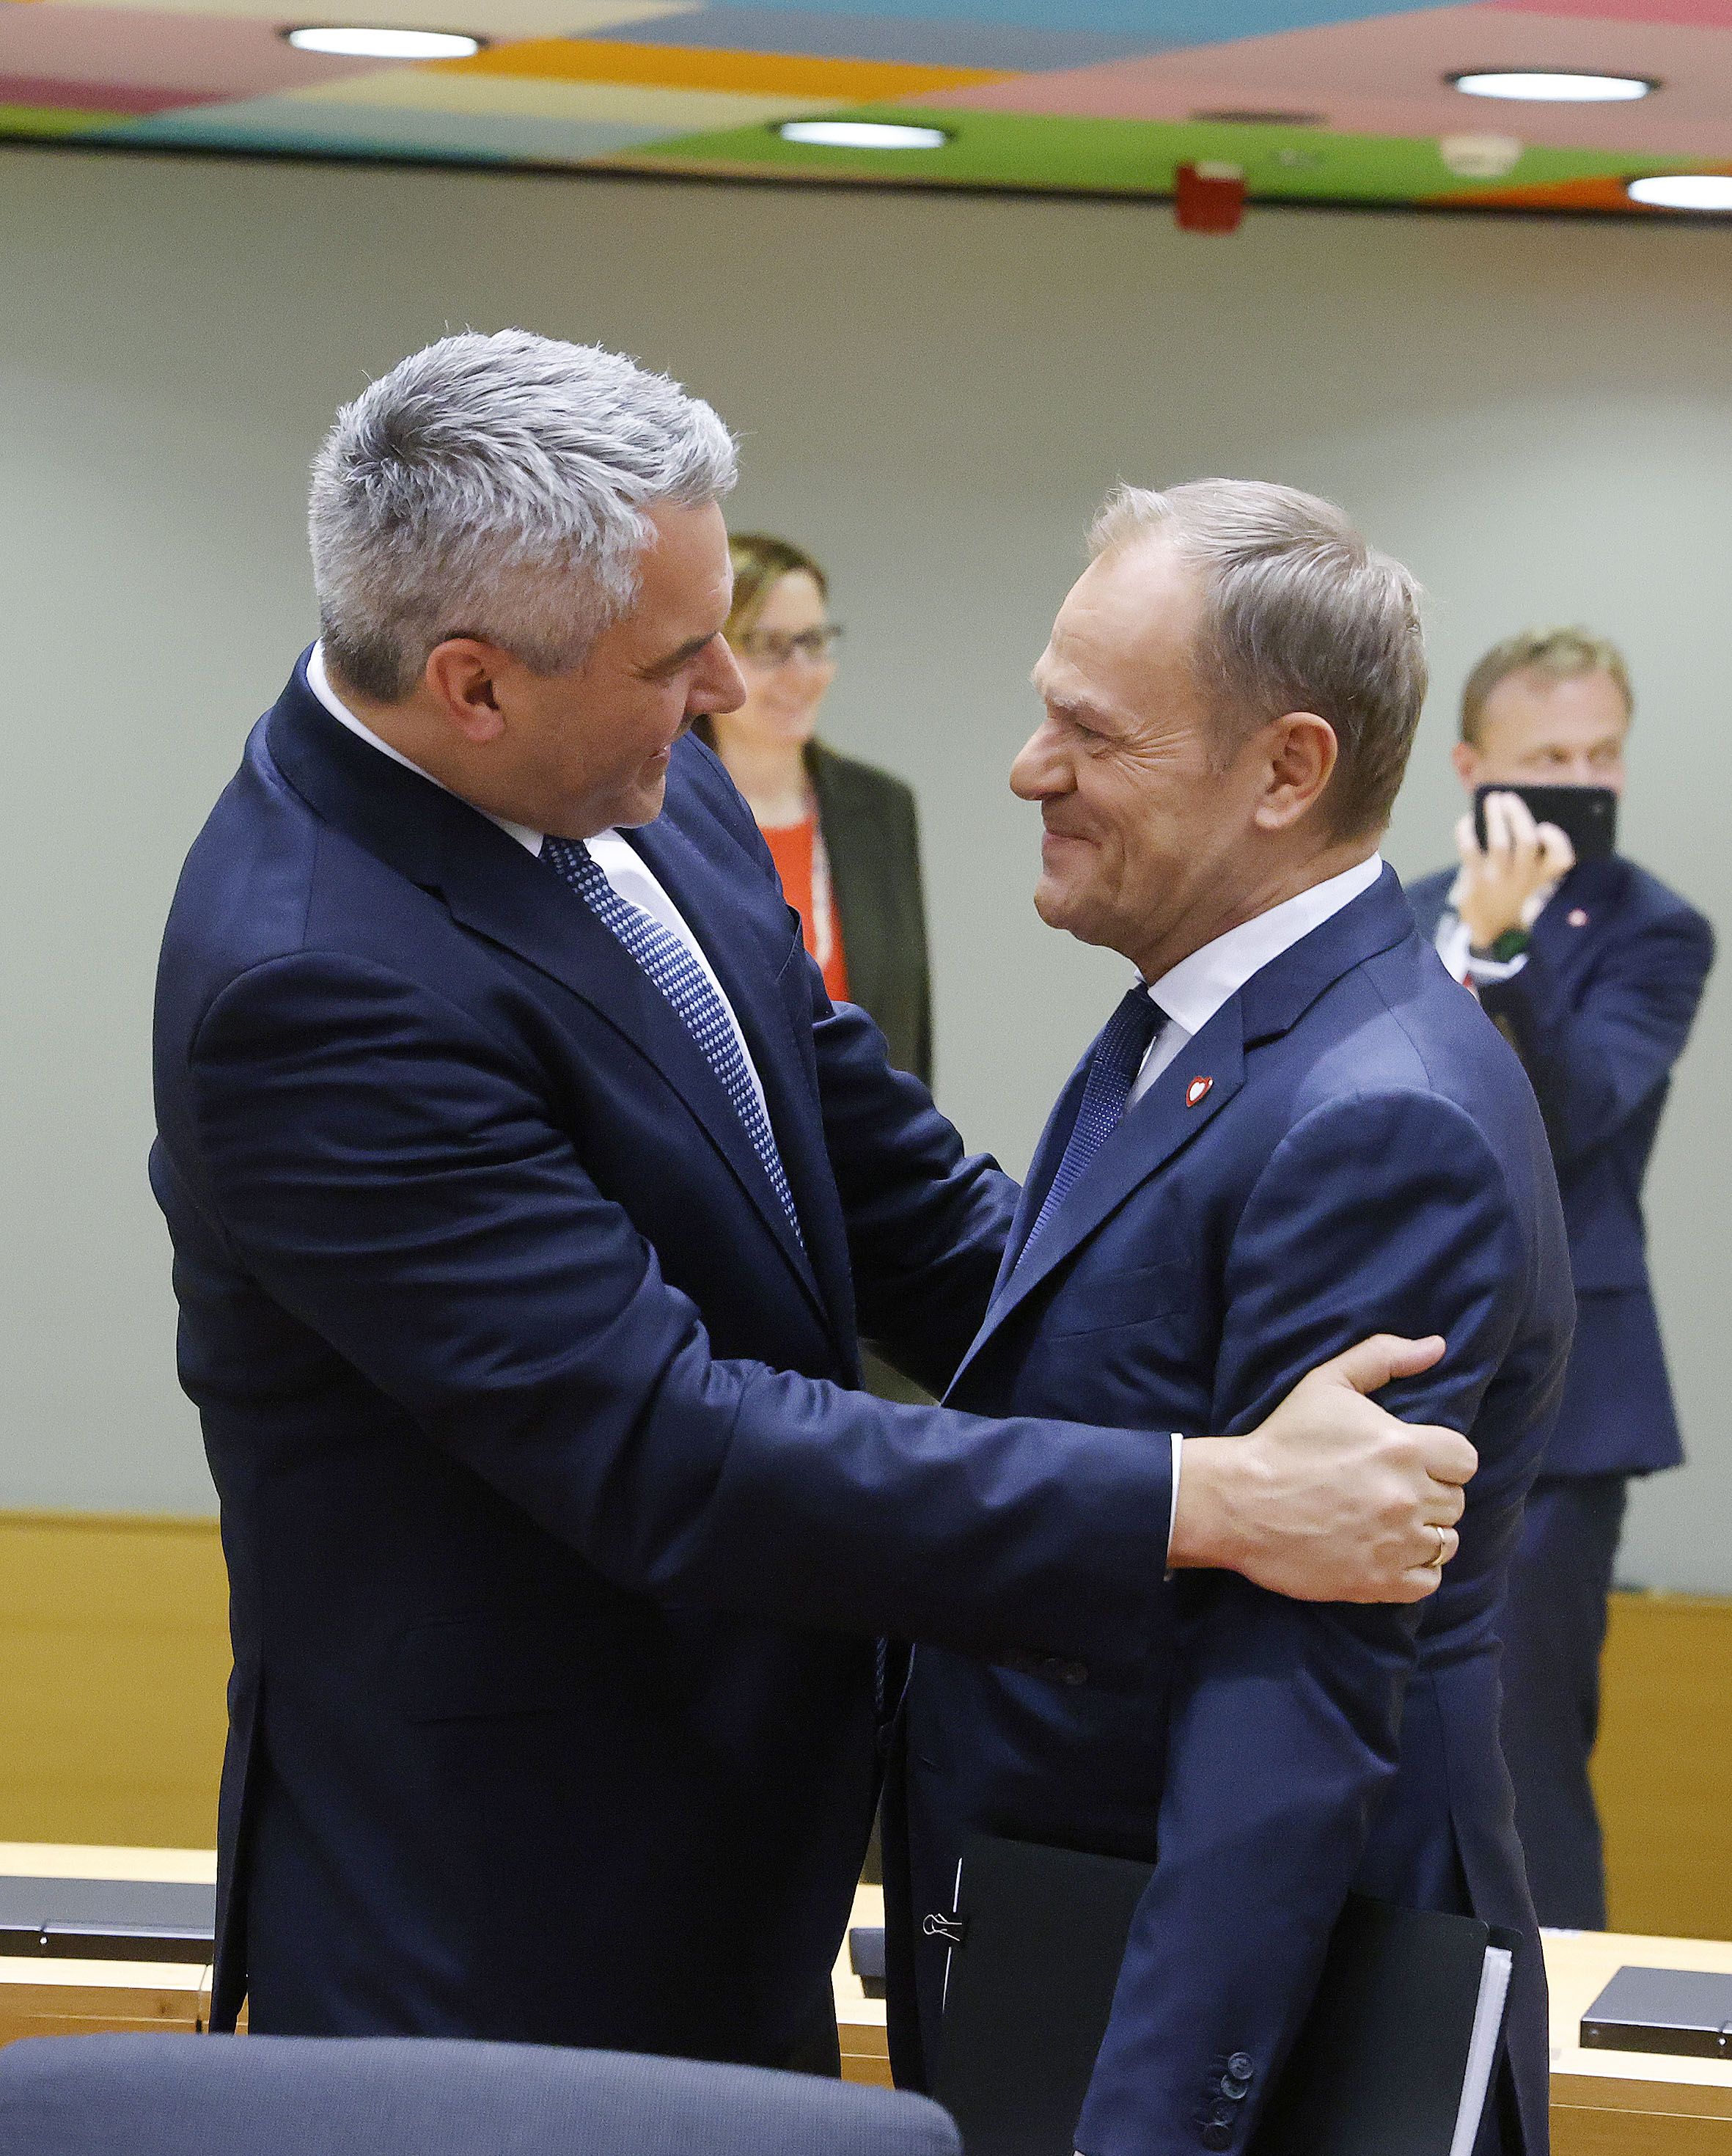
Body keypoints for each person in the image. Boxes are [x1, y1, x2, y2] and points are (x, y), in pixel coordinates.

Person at [149, 334, 1475, 2064]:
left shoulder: (630, 771)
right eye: (675, 659)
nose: (726, 694)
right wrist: (1197, 1495)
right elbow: (668, 1447)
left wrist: (1202, 1368)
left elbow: (883, 1185)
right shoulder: (313, 983)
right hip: (497, 1926)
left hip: (745, 1850)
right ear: (471, 683)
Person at [892, 483, 1573, 2156]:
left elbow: (1290, 1720)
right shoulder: (1192, 1022)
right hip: (1087, 1958)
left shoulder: (1374, 1115)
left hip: (1248, 2039)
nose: (1025, 769)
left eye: (1089, 733)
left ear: (1286, 771)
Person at [1406, 628, 1714, 1929]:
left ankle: (1547, 2072)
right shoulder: (1400, 907)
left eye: (1599, 757)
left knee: (1522, 1753)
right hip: (1400, 1373)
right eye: (1546, 761)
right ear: (1473, 767)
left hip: (1566, 1400)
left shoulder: (1657, 933)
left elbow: (1576, 1112)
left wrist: (1502, 949)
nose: (1578, 782)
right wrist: (1459, 942)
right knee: (1379, 1746)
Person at [699, 533, 932, 1084]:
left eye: (813, 641)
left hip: (863, 1158)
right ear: (712, 657)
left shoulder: (881, 809)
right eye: (767, 645)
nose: (800, 672)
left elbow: (908, 1031)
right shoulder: (657, 816)